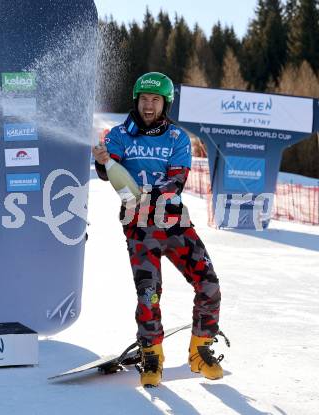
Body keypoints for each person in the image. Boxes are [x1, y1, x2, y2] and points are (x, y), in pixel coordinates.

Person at [92, 72, 224, 388]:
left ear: (165, 103)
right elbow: (109, 172)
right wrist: (102, 161)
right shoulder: (118, 135)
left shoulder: (178, 138)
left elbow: (175, 180)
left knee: (208, 284)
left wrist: (148, 196)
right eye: (144, 99)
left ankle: (200, 350)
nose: (149, 106)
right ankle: (152, 355)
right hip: (139, 227)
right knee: (149, 293)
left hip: (174, 221)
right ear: (136, 100)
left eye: (155, 100)